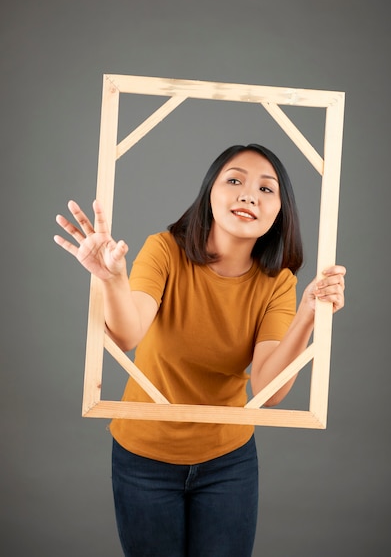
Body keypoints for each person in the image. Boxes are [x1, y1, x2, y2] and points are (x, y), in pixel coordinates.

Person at [54, 143, 346, 557]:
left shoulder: (277, 282)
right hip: (142, 456)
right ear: (210, 192)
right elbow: (127, 334)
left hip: (228, 462)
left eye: (267, 189)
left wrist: (308, 315)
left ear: (280, 212)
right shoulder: (164, 250)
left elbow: (269, 390)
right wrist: (112, 280)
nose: (248, 195)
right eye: (234, 181)